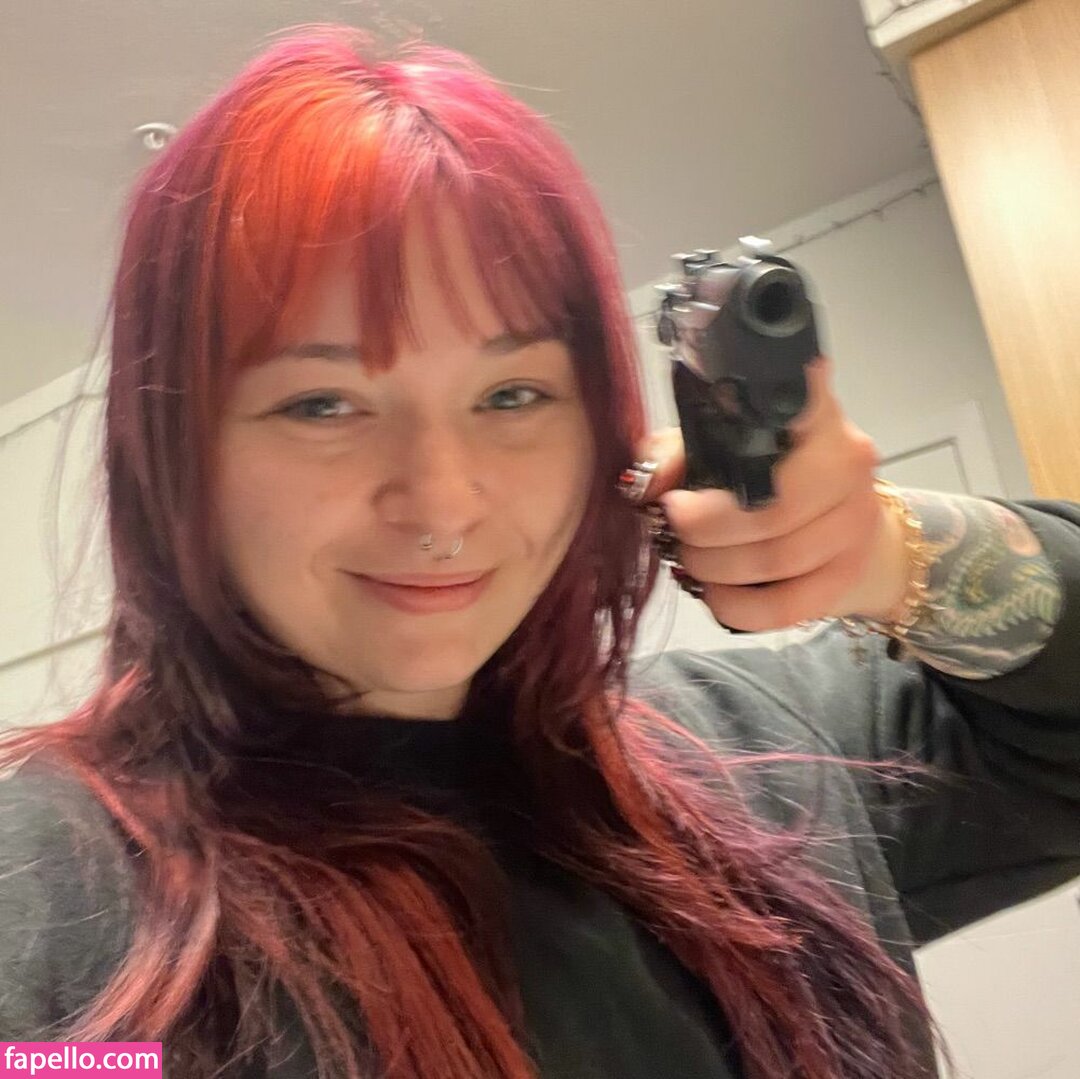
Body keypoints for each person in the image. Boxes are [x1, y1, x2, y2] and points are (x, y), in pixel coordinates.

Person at [0, 23, 1077, 1079]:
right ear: (178, 451)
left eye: (512, 394)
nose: (442, 498)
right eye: (322, 403)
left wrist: (885, 550)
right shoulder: (54, 898)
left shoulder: (764, 756)